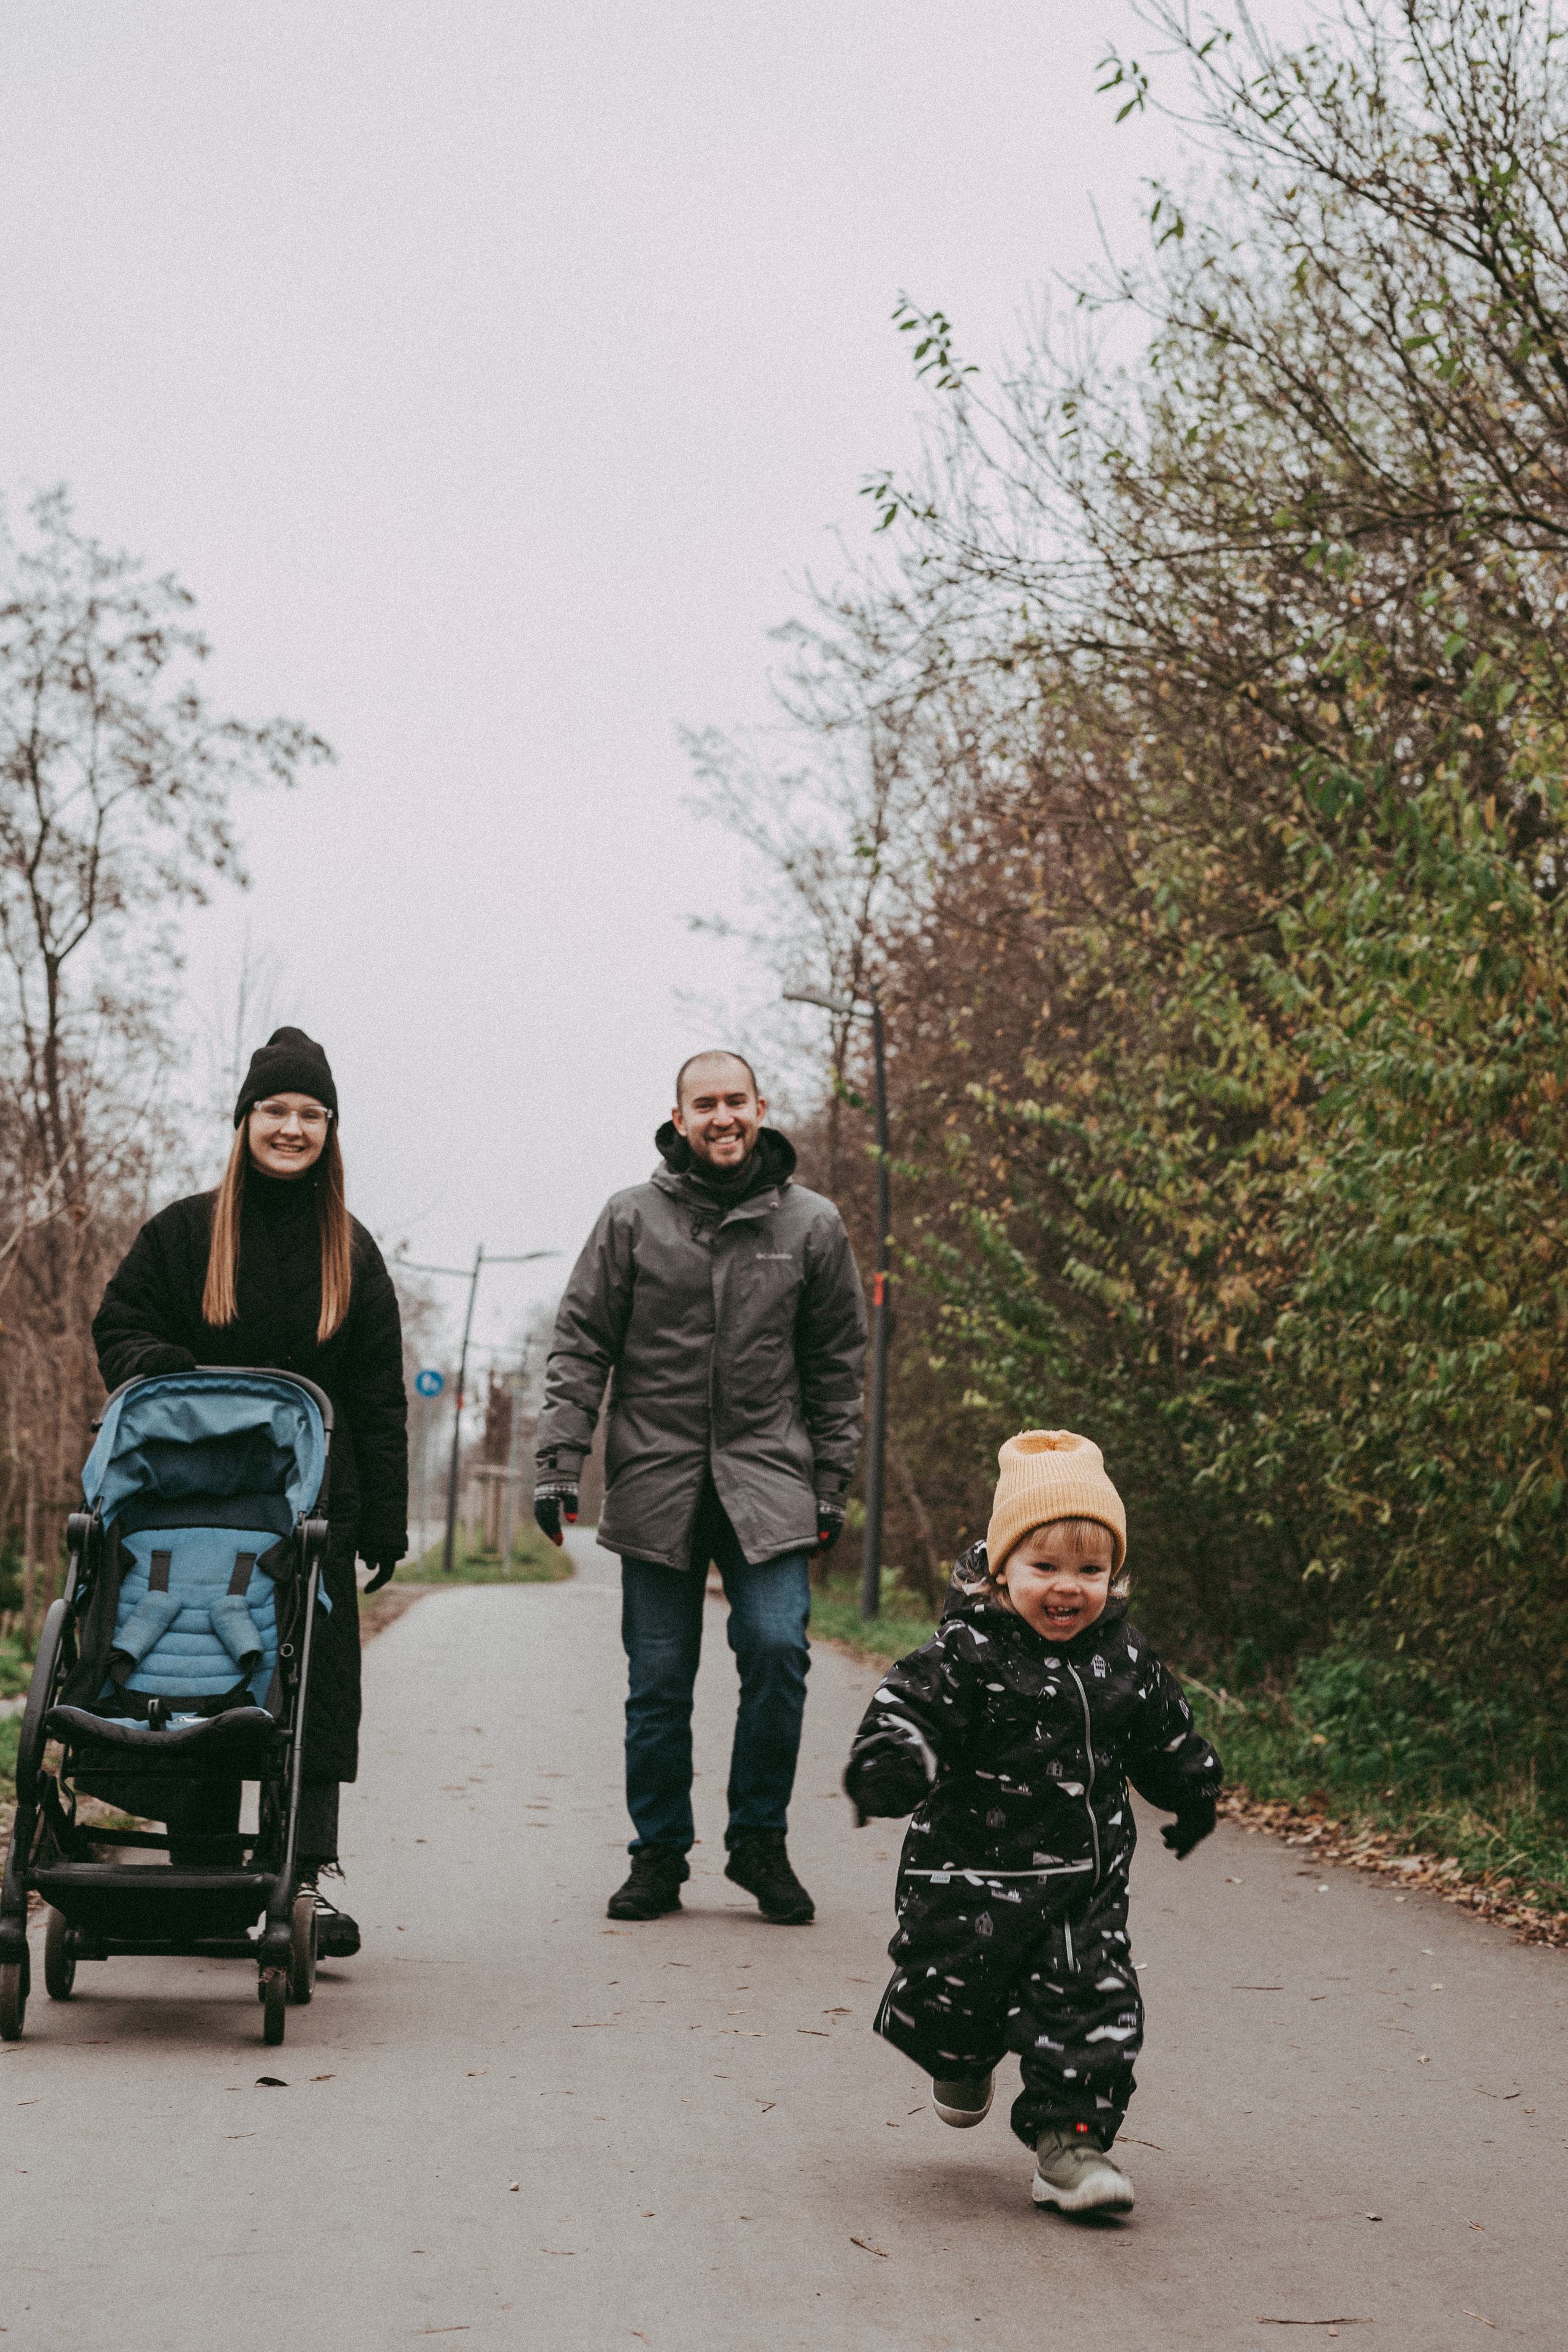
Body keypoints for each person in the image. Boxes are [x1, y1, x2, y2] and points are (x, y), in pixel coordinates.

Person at [843, 1428, 1222, 2215]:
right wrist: (892, 1760)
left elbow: (1166, 1734)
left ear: (1112, 1576)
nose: (1067, 1588)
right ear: (1000, 1569)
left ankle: (1070, 2147)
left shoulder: (1124, 1661)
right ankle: (962, 2054)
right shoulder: (966, 1652)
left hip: (1081, 1883)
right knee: (951, 2004)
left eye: (1090, 1570)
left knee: (1092, 2005)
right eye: (1044, 1566)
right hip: (965, 1879)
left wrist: (1192, 1790)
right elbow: (908, 1710)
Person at [91, 1027, 409, 1958]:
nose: (293, 1127)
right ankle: (199, 1864)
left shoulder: (350, 1251)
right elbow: (122, 1320)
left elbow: (378, 1397)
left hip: (311, 1507)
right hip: (190, 1502)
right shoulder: (186, 1232)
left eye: (312, 1114)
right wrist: (161, 1365)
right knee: (196, 1670)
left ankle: (299, 1878)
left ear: (331, 1130)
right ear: (245, 1121)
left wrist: (381, 1516)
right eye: (276, 1110)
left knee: (310, 1693)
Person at [534, 1049, 867, 1925]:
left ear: (761, 1108)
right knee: (658, 1679)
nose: (722, 1117)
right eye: (704, 1105)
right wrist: (558, 1462)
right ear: (678, 1120)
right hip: (656, 1476)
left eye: (736, 1101)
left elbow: (837, 1366)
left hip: (770, 1478)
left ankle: (758, 1842)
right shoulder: (630, 1220)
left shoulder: (813, 1226)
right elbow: (580, 1348)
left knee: (775, 1650)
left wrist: (831, 1481)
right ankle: (658, 1856)